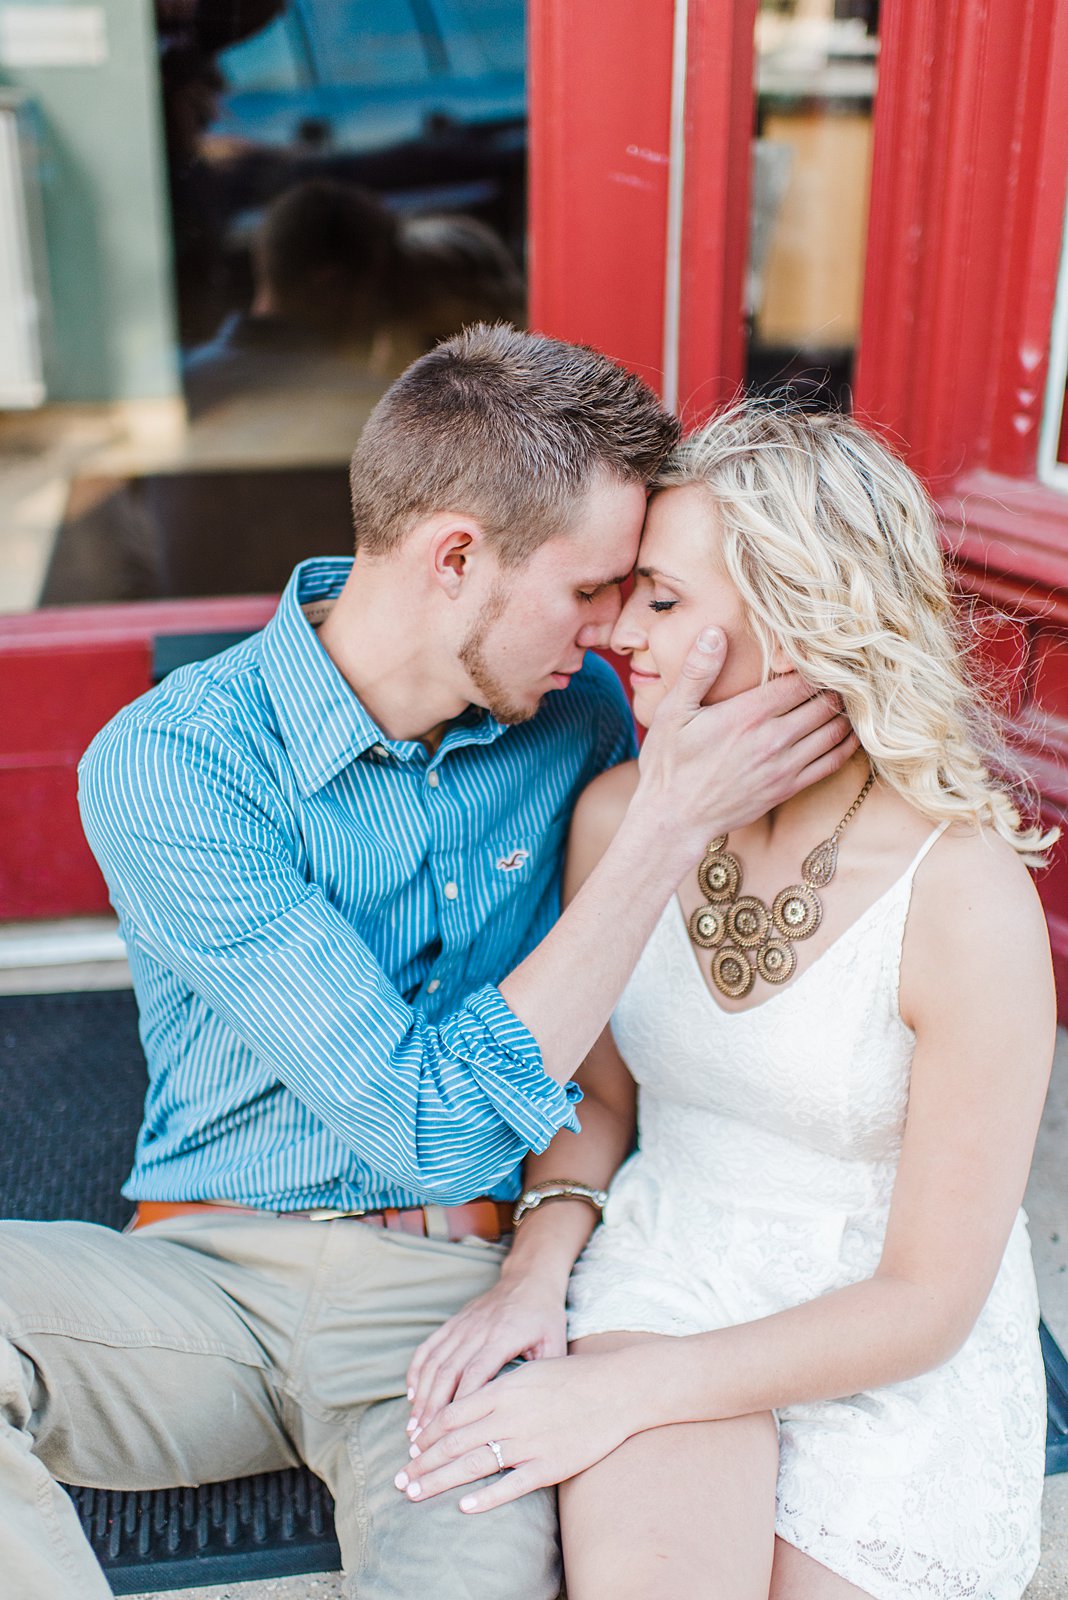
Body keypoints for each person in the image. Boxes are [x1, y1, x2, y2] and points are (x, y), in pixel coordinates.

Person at [0, 330, 854, 1600]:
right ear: (456, 556)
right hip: (204, 1276)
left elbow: (605, 1066)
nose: (620, 629)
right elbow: (425, 1120)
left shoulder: (579, 716)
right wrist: (662, 824)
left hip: (455, 1306)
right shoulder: (175, 763)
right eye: (594, 589)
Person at [397, 400, 1057, 1600]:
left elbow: (928, 1298)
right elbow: (596, 1099)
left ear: (803, 617)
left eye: (663, 599)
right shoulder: (621, 818)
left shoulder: (963, 898)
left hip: (883, 1331)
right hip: (672, 1264)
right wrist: (535, 1271)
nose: (620, 638)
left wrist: (615, 1393)